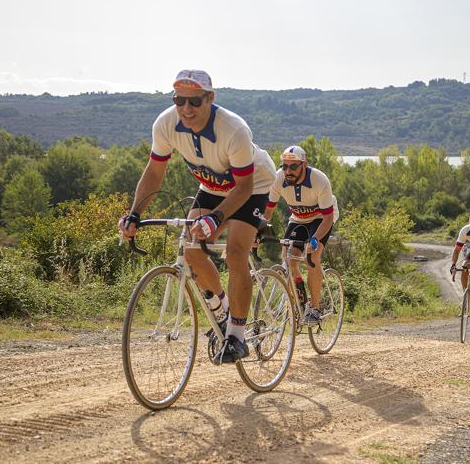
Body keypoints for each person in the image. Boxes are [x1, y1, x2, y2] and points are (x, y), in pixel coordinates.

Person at [119, 69, 275, 364]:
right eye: (180, 101)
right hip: (213, 186)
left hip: (253, 186)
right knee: (191, 247)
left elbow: (243, 188)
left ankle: (237, 336)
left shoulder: (234, 129)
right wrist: (134, 214)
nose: (186, 109)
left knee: (235, 251)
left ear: (210, 98)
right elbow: (154, 174)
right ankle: (221, 310)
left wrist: (216, 219)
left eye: (194, 102)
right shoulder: (166, 124)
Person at [263, 145, 339, 325]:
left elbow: (328, 218)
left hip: (321, 218)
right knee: (289, 259)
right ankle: (299, 301)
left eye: (293, 167)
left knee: (312, 256)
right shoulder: (278, 178)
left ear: (304, 165)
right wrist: (257, 230)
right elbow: (268, 211)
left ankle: (315, 307)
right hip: (298, 218)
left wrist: (314, 240)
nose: (288, 171)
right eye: (285, 166)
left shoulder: (319, 180)